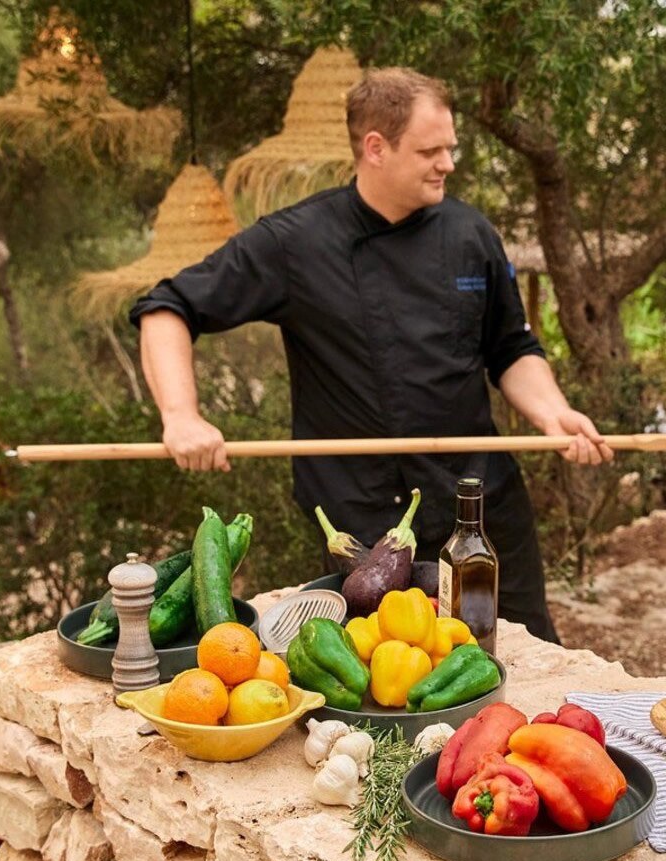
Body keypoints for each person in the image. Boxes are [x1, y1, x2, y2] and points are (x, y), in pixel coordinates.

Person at [130, 68, 612, 644]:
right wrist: (181, 416)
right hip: (364, 523)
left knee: (520, 655)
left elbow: (511, 349)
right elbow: (167, 308)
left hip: (479, 507)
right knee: (389, 680)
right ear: (375, 148)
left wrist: (552, 413)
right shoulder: (294, 242)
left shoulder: (470, 234)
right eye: (430, 151)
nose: (448, 164)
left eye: (451, 148)